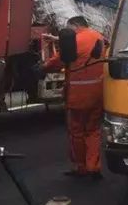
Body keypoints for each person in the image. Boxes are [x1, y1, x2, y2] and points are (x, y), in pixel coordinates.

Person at [42, 15, 106, 179]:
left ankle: (81, 167)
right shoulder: (97, 36)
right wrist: (56, 39)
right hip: (98, 93)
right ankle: (94, 167)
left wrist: (43, 67)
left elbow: (58, 61)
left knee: (77, 132)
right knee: (93, 131)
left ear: (75, 26)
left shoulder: (73, 41)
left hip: (78, 95)